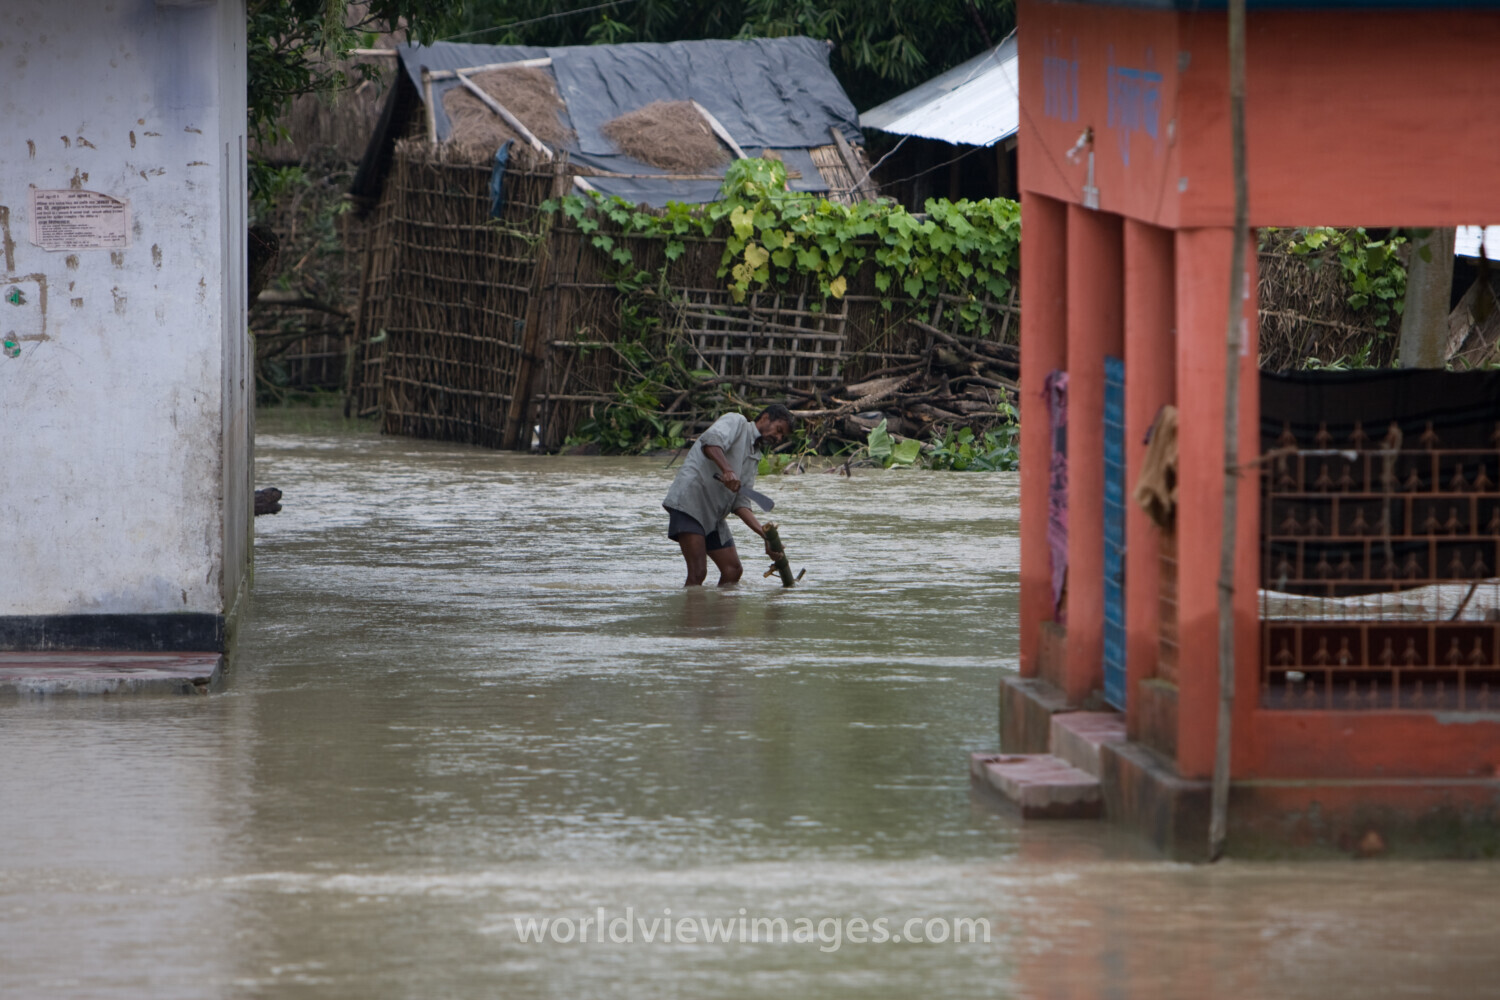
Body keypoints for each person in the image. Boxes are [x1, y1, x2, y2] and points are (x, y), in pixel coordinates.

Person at [663, 405, 794, 586]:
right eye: (779, 430)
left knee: (733, 570)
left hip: (713, 515)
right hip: (691, 502)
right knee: (698, 572)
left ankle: (718, 614)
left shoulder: (755, 456)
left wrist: (766, 537)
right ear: (765, 418)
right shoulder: (737, 422)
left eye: (782, 436)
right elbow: (710, 442)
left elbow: (740, 504)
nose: (778, 438)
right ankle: (692, 614)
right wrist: (727, 469)